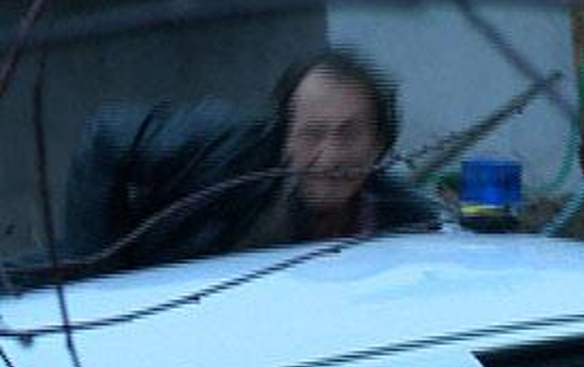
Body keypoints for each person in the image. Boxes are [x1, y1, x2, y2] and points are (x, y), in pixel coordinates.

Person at [62, 47, 439, 274]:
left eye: (349, 134)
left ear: (379, 143)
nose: (330, 156)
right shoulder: (225, 148)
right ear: (284, 135)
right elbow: (106, 136)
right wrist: (100, 279)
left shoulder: (402, 219)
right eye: (312, 134)